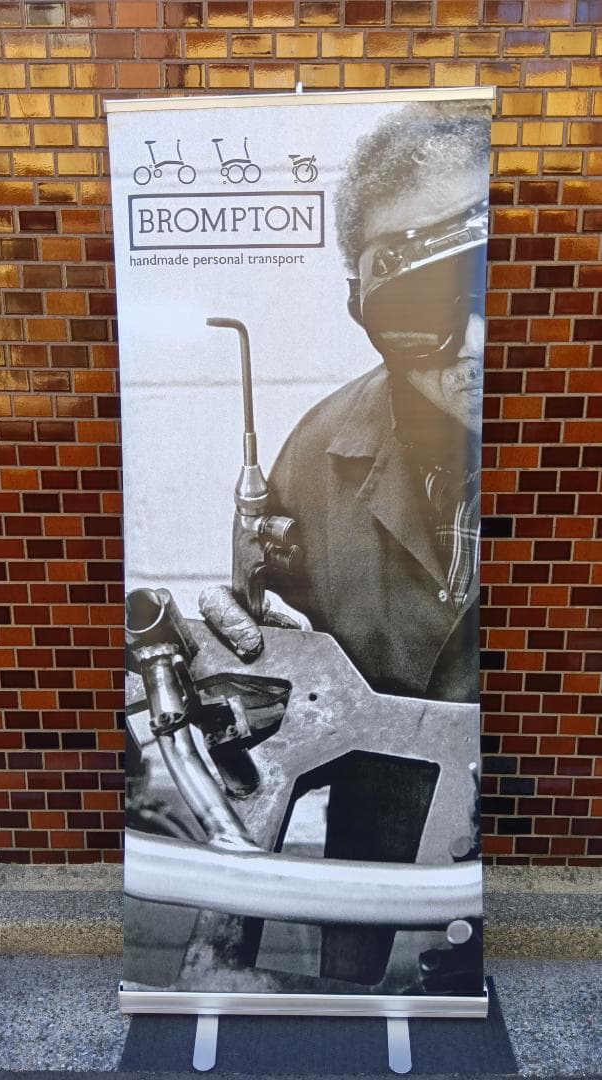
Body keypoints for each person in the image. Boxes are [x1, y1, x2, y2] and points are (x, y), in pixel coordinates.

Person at [201, 101, 490, 988]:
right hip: (371, 880)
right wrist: (241, 655)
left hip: (547, 866)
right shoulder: (318, 451)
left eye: (495, 283)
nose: (476, 344)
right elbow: (276, 695)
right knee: (353, 1028)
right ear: (361, 306)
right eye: (422, 306)